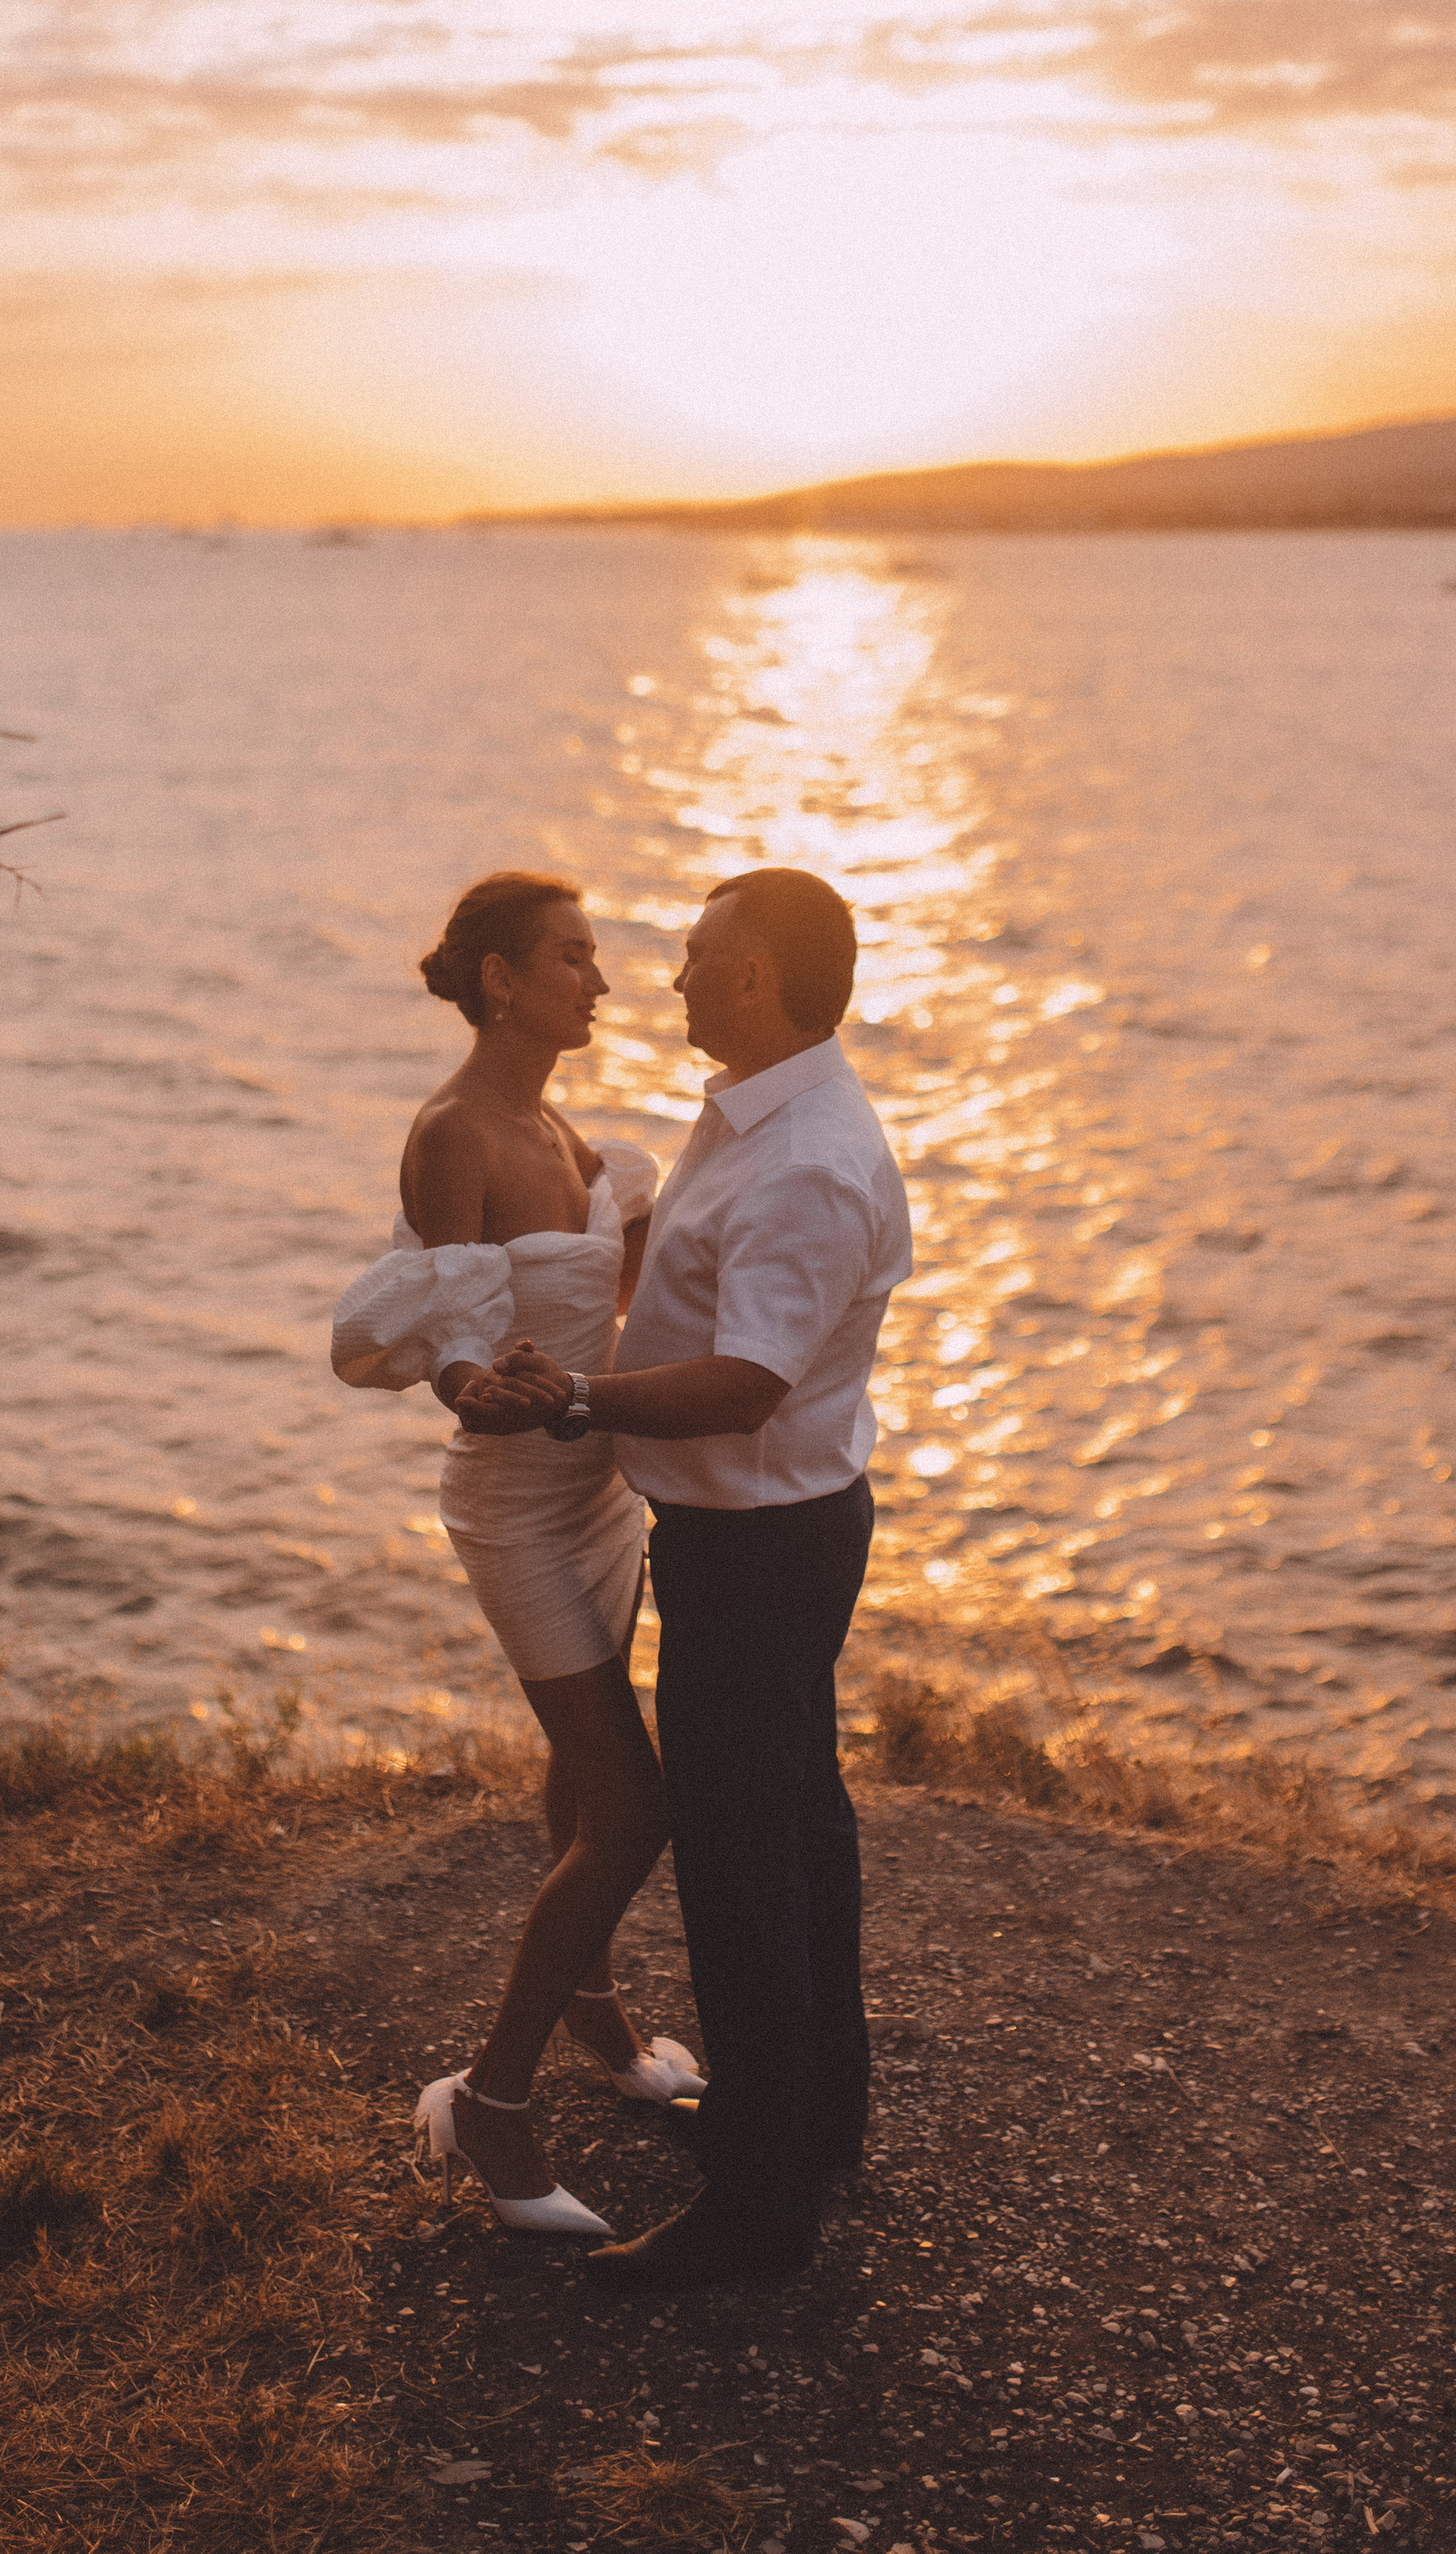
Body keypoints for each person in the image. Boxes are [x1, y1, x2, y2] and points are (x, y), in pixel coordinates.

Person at [460, 866, 912, 2292]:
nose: (671, 980)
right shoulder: (762, 1111)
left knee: (739, 1867)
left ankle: (761, 2212)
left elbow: (747, 1385)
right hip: (772, 1536)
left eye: (700, 958)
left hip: (761, 1547)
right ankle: (811, 2118)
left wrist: (581, 1401)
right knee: (799, 1832)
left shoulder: (807, 1163)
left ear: (761, 982)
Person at [330, 871, 704, 2243]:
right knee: (634, 1810)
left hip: (601, 1490)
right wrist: (476, 1383)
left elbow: (612, 1297)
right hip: (517, 1507)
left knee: (577, 1776)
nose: (601, 983)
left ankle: (596, 2012)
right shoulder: (455, 1132)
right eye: (573, 958)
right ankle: (488, 2103)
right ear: (502, 978)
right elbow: (455, 1331)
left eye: (597, 960)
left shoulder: (568, 1127)